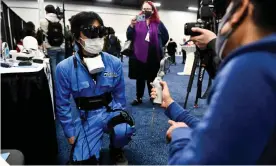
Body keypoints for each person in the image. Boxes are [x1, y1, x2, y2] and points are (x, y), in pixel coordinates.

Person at [151, 0, 276, 164]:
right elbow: (220, 133)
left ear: (242, 8)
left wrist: (180, 135)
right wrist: (170, 104)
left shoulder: (251, 67)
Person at [55, 11, 135, 165]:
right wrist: (70, 133)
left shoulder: (114, 63)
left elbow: (120, 97)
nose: (97, 38)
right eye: (89, 32)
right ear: (77, 36)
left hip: (109, 110)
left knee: (124, 129)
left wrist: (120, 117)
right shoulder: (64, 68)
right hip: (86, 117)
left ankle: (116, 147)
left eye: (100, 32)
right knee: (85, 162)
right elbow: (62, 105)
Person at [127, 1, 169, 106]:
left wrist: (158, 45)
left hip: (153, 55)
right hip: (139, 54)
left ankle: (152, 96)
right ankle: (139, 97)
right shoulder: (138, 20)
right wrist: (131, 26)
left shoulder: (158, 22)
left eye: (148, 9)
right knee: (140, 78)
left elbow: (165, 36)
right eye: (144, 9)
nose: (145, 11)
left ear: (153, 10)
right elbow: (129, 36)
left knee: (152, 77)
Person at [40, 4, 64, 78]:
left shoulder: (43, 21)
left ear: (46, 11)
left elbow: (44, 33)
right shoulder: (60, 21)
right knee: (62, 68)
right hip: (61, 46)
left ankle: (56, 88)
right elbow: (63, 33)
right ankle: (64, 86)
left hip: (51, 47)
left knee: (54, 68)